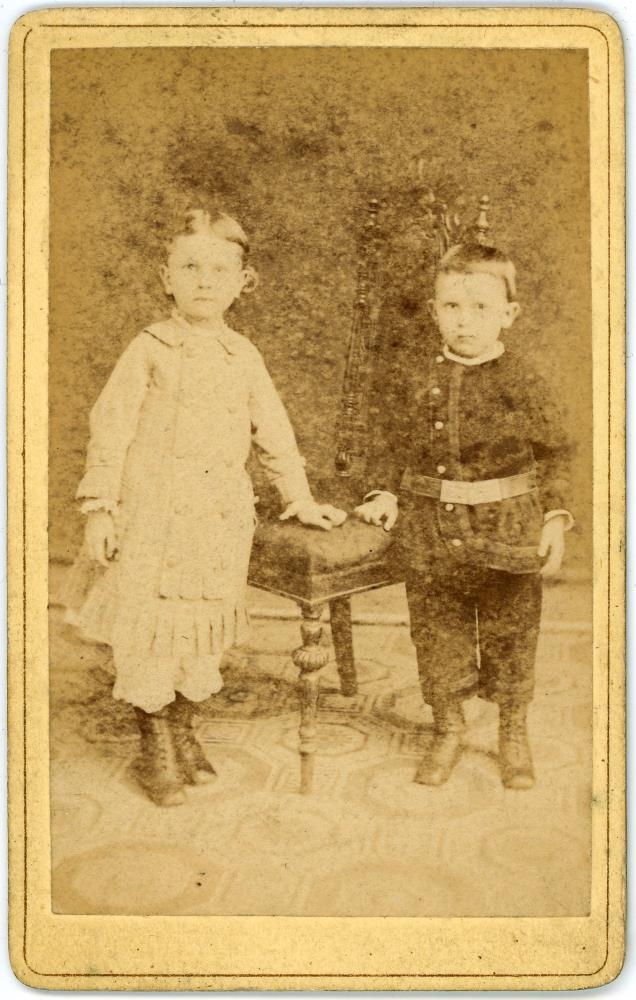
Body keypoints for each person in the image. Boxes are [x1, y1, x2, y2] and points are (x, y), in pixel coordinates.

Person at [63, 204, 346, 806]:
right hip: (152, 518)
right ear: (166, 276)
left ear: (243, 282)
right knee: (152, 631)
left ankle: (185, 728)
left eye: (219, 270)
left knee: (199, 634)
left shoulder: (242, 355)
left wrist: (298, 498)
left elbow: (274, 432)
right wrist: (101, 508)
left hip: (218, 520)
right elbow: (109, 430)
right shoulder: (149, 348)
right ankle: (156, 740)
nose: (204, 281)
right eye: (190, 267)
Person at [355, 242, 573, 790]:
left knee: (512, 633)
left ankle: (512, 730)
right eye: (452, 306)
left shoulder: (523, 379)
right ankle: (448, 727)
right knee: (437, 633)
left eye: (480, 307)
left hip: (509, 530)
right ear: (434, 311)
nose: (465, 320)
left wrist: (555, 518)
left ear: (509, 313)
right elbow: (391, 445)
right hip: (432, 530)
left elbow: (557, 454)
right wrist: (385, 493)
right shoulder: (414, 378)